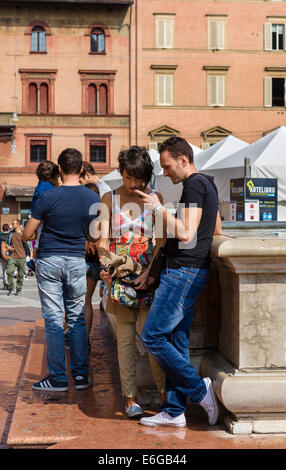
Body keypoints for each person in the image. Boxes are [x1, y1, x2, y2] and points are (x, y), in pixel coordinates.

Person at [136, 136, 222, 428]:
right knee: (177, 339)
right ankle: (174, 411)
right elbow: (216, 227)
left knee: (152, 337)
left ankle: (200, 390)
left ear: (183, 160)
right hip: (191, 271)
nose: (165, 173)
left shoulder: (195, 184)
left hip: (184, 273)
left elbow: (186, 233)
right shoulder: (207, 183)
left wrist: (158, 210)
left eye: (168, 166)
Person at [22, 148, 100, 392]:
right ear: (82, 170)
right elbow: (95, 235)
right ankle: (79, 377)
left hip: (49, 259)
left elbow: (27, 233)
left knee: (54, 320)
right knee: (76, 319)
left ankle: (57, 378)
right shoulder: (92, 199)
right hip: (77, 260)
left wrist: (38, 229)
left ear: (60, 168)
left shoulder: (47, 197)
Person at [98, 146, 166, 419]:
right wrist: (106, 268)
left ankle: (163, 394)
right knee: (125, 340)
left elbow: (161, 242)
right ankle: (130, 399)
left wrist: (149, 272)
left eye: (138, 178)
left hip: (149, 277)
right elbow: (102, 242)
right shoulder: (108, 198)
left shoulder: (156, 197)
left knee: (153, 340)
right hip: (120, 277)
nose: (133, 184)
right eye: (127, 177)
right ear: (121, 173)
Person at [27, 161, 60, 272]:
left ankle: (34, 260)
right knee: (40, 239)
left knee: (38, 240)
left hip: (36, 214)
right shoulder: (49, 187)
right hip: (42, 217)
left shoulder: (40, 185)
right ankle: (34, 260)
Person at [82, 182, 101, 341]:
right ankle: (85, 339)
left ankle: (73, 334)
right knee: (87, 302)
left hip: (79, 261)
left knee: (72, 300)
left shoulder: (79, 212)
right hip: (95, 262)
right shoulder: (102, 214)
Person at [6, 219, 30, 295]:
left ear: (18, 225)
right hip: (12, 256)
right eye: (12, 224)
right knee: (8, 271)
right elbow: (7, 243)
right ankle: (11, 287)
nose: (12, 225)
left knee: (21, 274)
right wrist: (8, 248)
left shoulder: (23, 234)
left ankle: (18, 289)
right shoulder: (10, 233)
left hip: (22, 257)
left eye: (13, 224)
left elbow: (29, 245)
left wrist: (31, 255)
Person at [0, 223, 10, 289]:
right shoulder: (10, 236)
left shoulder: (0, 236)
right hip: (9, 254)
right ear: (8, 228)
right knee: (9, 269)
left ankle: (4, 284)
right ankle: (8, 283)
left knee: (4, 270)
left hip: (2, 255)